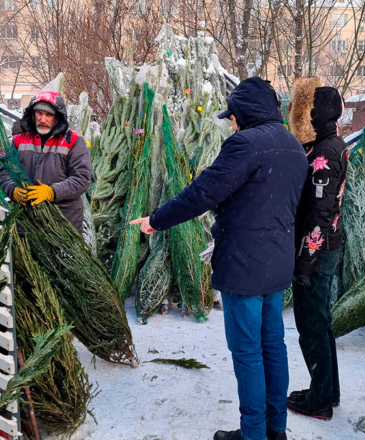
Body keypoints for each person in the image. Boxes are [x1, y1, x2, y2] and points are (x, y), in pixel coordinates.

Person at [130, 77, 308, 440]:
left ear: (245, 113)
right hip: (277, 263)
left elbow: (202, 193)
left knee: (247, 352)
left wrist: (156, 220)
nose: (231, 122)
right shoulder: (292, 145)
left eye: (233, 116)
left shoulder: (245, 144)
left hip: (244, 265)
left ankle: (253, 433)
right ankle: (276, 429)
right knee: (273, 345)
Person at [286, 79, 348, 421]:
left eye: (305, 110)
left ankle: (319, 401)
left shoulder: (325, 152)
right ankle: (327, 390)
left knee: (311, 326)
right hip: (327, 247)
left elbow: (321, 214)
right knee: (321, 323)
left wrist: (306, 262)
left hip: (318, 250)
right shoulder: (330, 143)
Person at [0, 89, 92, 233]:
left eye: (48, 115)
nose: (42, 119)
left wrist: (51, 192)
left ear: (57, 117)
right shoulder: (19, 138)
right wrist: (12, 190)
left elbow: (82, 179)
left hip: (63, 221)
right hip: (26, 222)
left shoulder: (73, 141)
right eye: (39, 114)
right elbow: (5, 170)